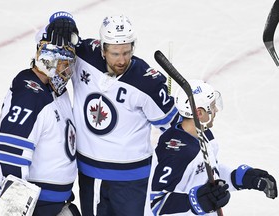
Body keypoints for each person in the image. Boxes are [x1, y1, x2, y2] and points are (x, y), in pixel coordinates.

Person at [45, 12, 179, 216]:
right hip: (92, 173)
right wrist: (62, 20)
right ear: (103, 48)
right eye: (115, 53)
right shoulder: (83, 55)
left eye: (126, 52)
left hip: (133, 178)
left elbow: (174, 128)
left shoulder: (147, 82)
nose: (122, 60)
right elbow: (48, 40)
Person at [148, 79, 277, 215]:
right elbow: (157, 203)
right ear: (199, 113)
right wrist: (196, 202)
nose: (215, 110)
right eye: (212, 105)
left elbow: (210, 172)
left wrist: (240, 178)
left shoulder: (205, 135)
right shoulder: (175, 151)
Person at [0, 27, 81, 215]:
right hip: (31, 206)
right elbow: (11, 159)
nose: (67, 69)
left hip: (51, 205)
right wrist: (12, 210)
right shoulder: (29, 95)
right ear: (48, 60)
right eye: (62, 62)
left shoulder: (55, 89)